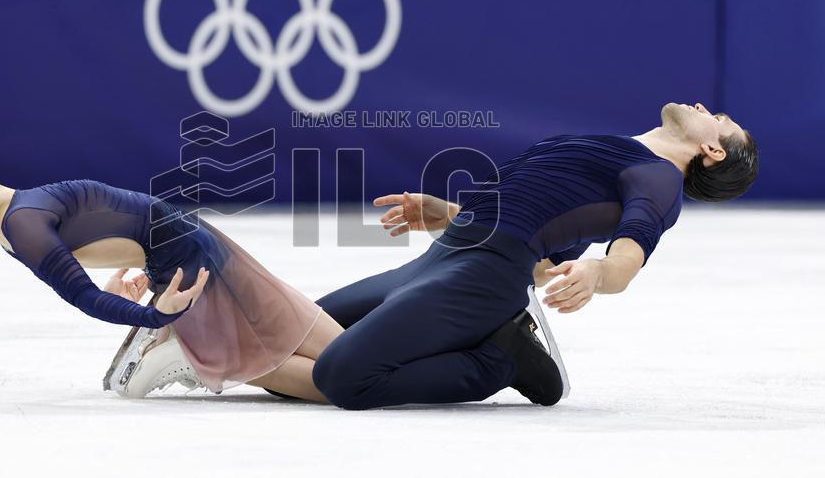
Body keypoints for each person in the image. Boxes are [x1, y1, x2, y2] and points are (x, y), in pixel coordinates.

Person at [308, 102, 759, 410]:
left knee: (342, 376)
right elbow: (541, 242)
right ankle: (478, 340)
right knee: (295, 329)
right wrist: (447, 214)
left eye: (717, 118)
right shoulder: (620, 149)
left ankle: (498, 360)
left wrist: (598, 272)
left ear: (713, 151)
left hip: (484, 278)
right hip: (445, 256)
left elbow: (625, 262)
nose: (704, 108)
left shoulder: (659, 180)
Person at [0, 155, 343, 402]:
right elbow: (82, 296)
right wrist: (152, 315)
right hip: (190, 262)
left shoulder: (14, 222)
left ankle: (181, 341)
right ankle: (179, 344)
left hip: (184, 253)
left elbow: (94, 242)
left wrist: (145, 293)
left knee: (305, 350)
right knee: (329, 369)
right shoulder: (23, 223)